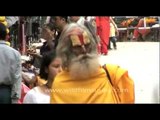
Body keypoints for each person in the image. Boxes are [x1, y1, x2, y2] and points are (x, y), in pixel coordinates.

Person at [50, 23, 134, 103]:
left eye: (87, 45)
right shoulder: (60, 84)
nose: (84, 51)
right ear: (67, 52)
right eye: (77, 47)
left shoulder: (114, 76)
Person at [0, 22, 22, 104]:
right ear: (6, 37)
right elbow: (17, 78)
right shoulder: (15, 54)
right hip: (5, 94)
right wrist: (15, 99)